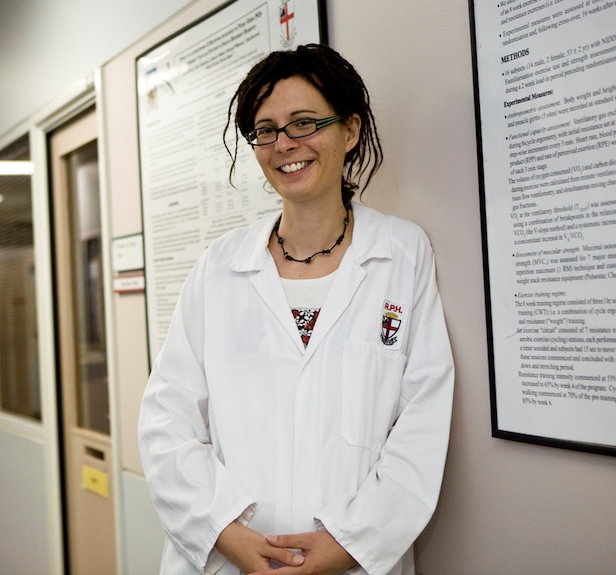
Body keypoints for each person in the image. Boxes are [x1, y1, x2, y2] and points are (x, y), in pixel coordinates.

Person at [138, 43, 454, 575]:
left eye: (304, 123)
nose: (284, 144)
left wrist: (350, 543)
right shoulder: (219, 267)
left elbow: (423, 419)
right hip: (229, 559)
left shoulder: (401, 255)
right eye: (266, 129)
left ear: (350, 131)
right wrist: (227, 534)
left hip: (349, 558)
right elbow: (167, 420)